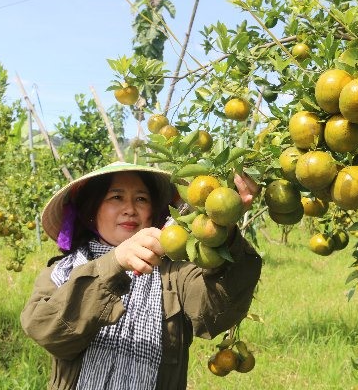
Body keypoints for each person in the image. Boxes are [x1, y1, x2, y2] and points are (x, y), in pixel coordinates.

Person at [20, 161, 262, 390]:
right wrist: (114, 263)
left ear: (153, 212)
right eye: (116, 197)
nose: (130, 209)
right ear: (93, 210)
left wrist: (223, 232)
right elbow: (46, 331)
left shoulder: (175, 272)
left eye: (141, 199)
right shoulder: (63, 271)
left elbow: (216, 310)